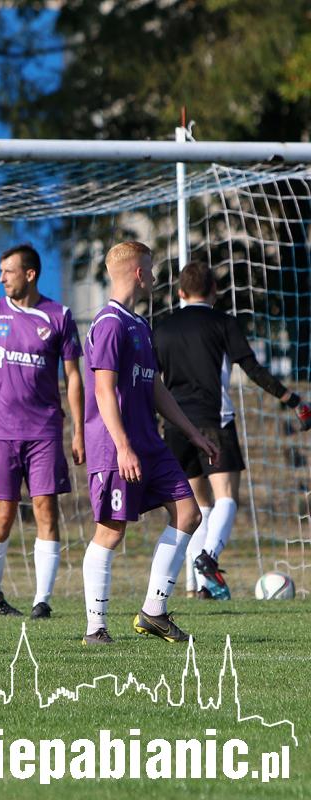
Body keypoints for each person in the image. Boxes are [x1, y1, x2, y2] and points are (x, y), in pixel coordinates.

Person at [80, 241, 219, 647]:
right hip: (116, 447)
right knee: (111, 531)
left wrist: (192, 433)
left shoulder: (139, 324)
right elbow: (103, 391)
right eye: (152, 269)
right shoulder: (109, 323)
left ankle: (153, 612)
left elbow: (154, 386)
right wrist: (123, 446)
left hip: (150, 444)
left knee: (188, 514)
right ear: (139, 273)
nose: (156, 277)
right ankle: (95, 628)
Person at [154, 260, 311, 600]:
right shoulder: (223, 322)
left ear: (180, 293)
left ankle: (202, 587)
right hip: (214, 421)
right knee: (226, 496)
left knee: (197, 505)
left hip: (176, 425)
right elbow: (251, 368)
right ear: (214, 290)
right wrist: (291, 398)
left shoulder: (162, 329)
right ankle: (209, 558)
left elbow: (152, 382)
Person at [0, 244, 84, 620]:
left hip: (44, 431)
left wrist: (79, 429)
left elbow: (73, 377)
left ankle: (42, 602)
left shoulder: (59, 316)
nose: (1, 279)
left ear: (30, 274)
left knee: (47, 510)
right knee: (3, 514)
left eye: (8, 271)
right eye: (0, 271)